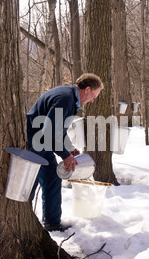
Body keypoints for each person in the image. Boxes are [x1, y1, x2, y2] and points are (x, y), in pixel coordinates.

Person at [27, 73, 103, 232]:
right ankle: (24, 220)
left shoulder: (70, 98)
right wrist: (65, 155)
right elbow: (49, 132)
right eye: (94, 95)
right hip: (34, 144)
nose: (93, 100)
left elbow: (58, 129)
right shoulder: (65, 99)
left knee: (51, 178)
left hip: (41, 143)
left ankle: (52, 223)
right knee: (29, 185)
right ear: (87, 89)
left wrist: (69, 148)